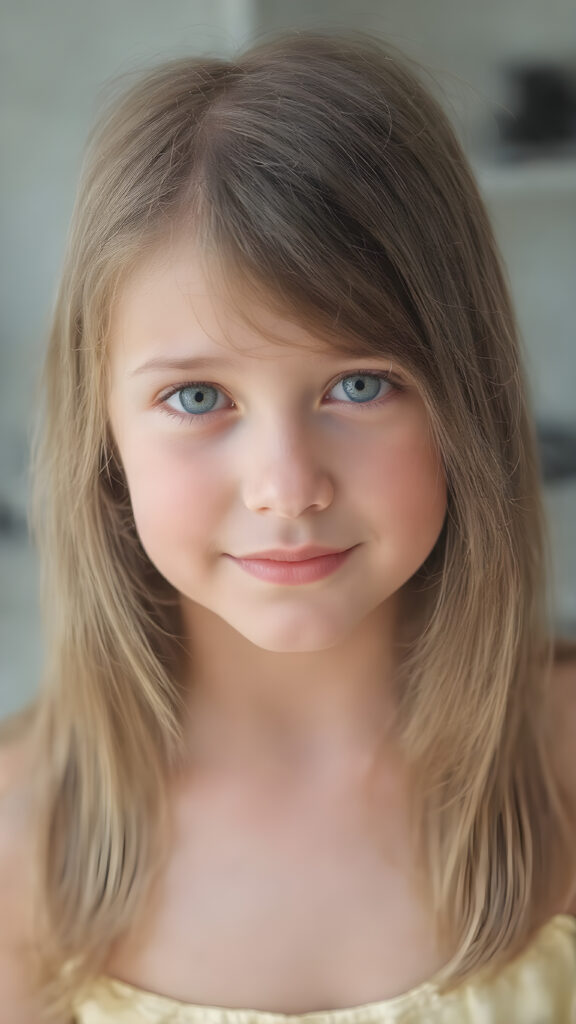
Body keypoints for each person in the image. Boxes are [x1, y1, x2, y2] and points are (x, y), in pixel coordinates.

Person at [0, 28, 575, 1024]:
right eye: (195, 398)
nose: (288, 487)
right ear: (102, 436)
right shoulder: (18, 839)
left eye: (360, 385)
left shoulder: (563, 758)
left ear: (466, 398)